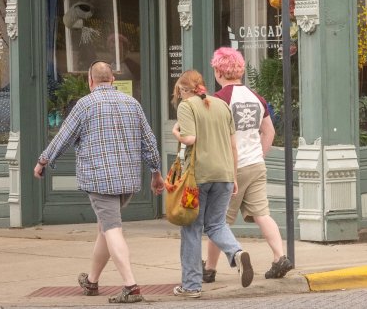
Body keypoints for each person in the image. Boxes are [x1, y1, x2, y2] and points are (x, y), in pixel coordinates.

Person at [34, 61, 164, 304]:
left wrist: (43, 161)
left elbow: (63, 137)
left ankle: (130, 285)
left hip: (100, 179)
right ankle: (92, 281)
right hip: (127, 180)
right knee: (105, 229)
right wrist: (156, 172)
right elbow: (150, 141)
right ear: (113, 79)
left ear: (90, 81)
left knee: (112, 229)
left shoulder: (84, 105)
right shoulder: (132, 103)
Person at [203, 47, 293, 281]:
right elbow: (269, 131)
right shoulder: (256, 98)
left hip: (231, 168)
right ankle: (279, 256)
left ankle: (210, 269)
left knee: (217, 221)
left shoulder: (218, 100)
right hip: (255, 164)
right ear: (240, 70)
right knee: (263, 214)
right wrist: (259, 155)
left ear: (219, 72)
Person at [171, 70, 254, 298]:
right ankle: (236, 253)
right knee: (217, 224)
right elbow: (233, 146)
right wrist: (234, 177)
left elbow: (190, 139)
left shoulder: (186, 106)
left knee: (192, 228)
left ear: (182, 90)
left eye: (178, 91)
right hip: (225, 174)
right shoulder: (221, 105)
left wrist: (175, 132)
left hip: (198, 177)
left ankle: (191, 286)